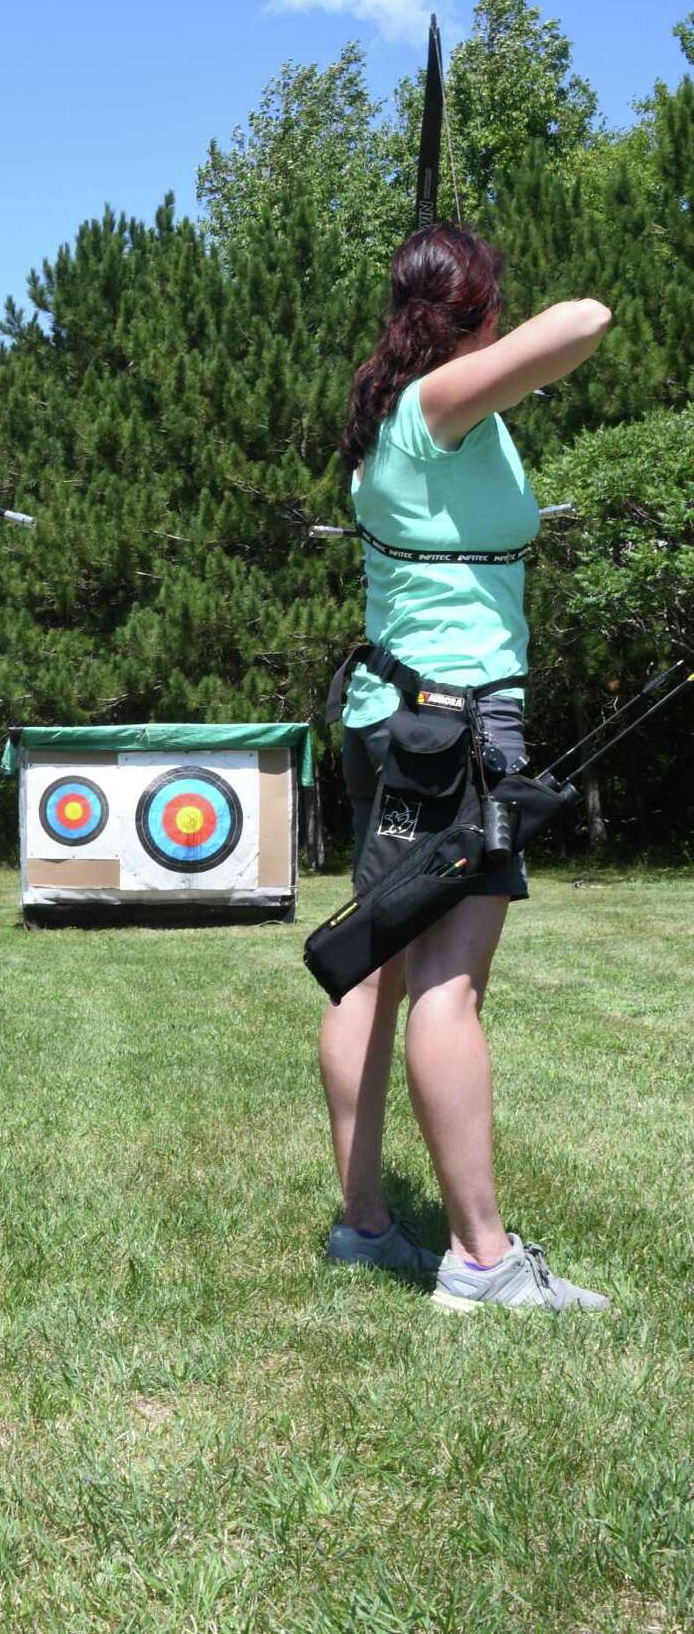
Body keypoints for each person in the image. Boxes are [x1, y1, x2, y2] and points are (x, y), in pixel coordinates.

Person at [319, 221, 613, 1313]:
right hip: (453, 727)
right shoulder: (435, 408)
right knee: (449, 982)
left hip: (395, 716)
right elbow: (588, 321)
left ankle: (364, 1226)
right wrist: (487, 342)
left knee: (376, 966)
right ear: (473, 314)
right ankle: (483, 1262)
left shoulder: (406, 408)